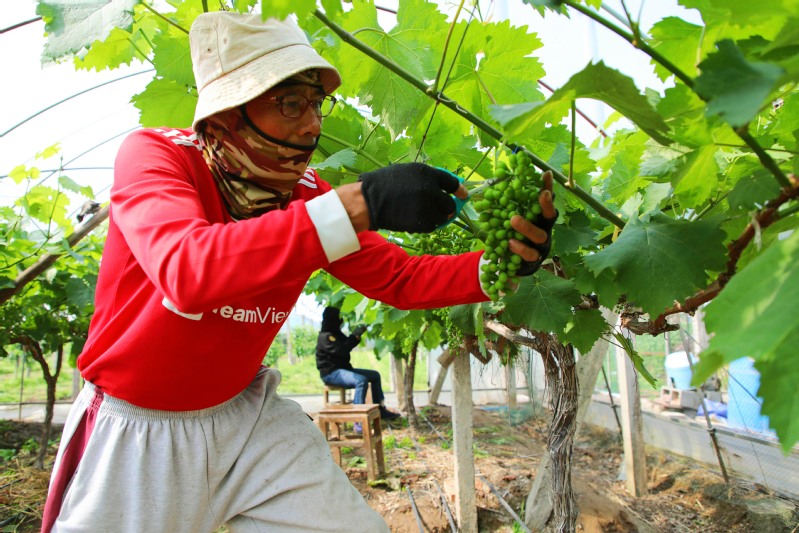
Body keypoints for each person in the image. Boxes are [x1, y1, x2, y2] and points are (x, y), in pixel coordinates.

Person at [42, 11, 557, 533]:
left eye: (316, 103)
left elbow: (399, 279)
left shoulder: (307, 195)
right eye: (290, 103)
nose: (312, 124)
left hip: (246, 418)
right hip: (137, 429)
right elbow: (185, 270)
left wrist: (500, 264)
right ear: (227, 114)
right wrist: (361, 204)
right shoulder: (158, 156)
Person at [316, 306, 401, 421]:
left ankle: (381, 410)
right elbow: (342, 350)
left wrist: (356, 335)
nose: (341, 320)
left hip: (344, 370)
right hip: (331, 373)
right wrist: (354, 336)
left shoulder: (337, 334)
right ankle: (358, 419)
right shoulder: (325, 336)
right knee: (360, 381)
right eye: (339, 318)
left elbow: (347, 345)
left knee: (375, 375)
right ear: (333, 319)